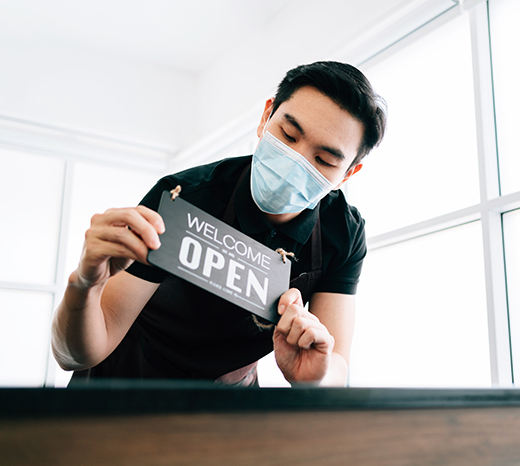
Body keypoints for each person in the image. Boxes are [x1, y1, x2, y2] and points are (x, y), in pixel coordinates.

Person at [51, 61, 386, 387]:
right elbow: (79, 353)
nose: (296, 161)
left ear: (348, 174)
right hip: (128, 384)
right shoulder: (182, 199)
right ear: (266, 116)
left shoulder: (342, 231)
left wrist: (315, 378)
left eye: (324, 160)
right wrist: (84, 283)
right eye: (288, 134)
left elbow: (336, 363)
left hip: (231, 404)